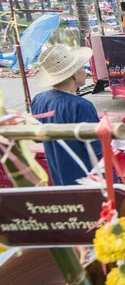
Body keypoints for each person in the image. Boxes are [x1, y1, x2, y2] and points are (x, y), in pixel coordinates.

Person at [31, 44, 102, 186]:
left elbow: (38, 139)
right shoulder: (81, 106)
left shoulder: (38, 100)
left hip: (59, 177)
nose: (84, 71)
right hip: (88, 180)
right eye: (82, 67)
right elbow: (98, 150)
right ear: (75, 74)